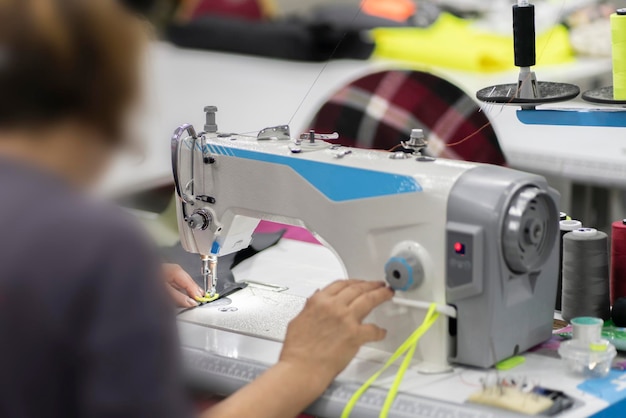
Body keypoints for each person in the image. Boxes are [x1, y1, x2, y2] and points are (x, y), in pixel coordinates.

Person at [0, 1, 394, 418]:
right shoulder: (94, 244)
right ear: (107, 107)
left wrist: (100, 283)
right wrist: (302, 367)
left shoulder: (63, 243)